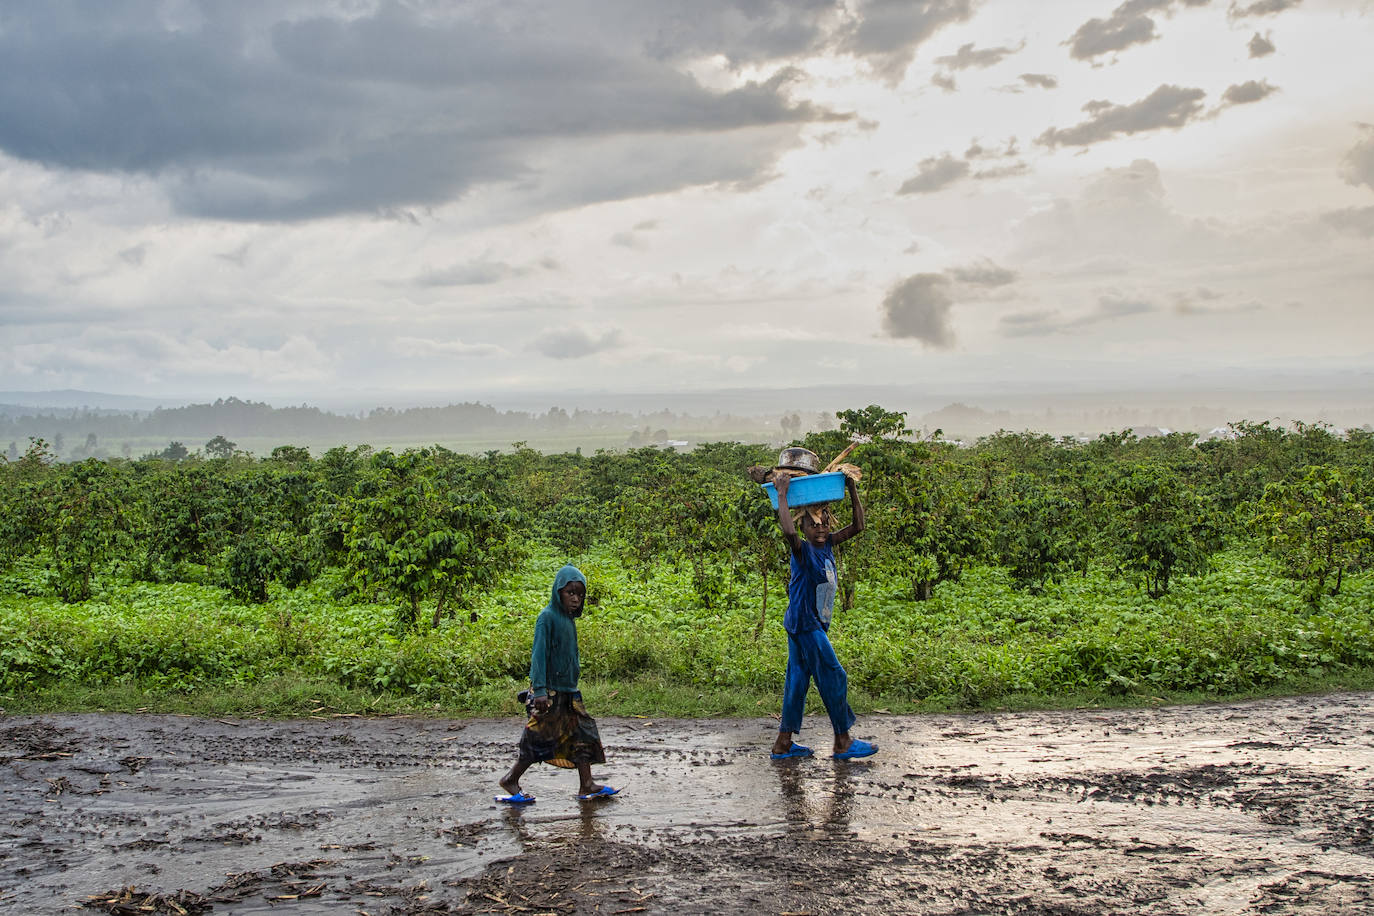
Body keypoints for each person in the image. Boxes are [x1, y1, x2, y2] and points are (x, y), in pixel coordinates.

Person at [770, 472, 878, 761]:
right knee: (834, 675)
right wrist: (782, 494)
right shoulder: (803, 550)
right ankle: (843, 740)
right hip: (805, 625)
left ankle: (783, 744)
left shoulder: (827, 544)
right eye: (813, 524)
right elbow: (788, 533)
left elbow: (858, 525)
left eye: (824, 522)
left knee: (797, 681)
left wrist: (852, 487)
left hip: (801, 623)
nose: (820, 528)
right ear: (803, 527)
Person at [496, 564, 619, 803]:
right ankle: (510, 779)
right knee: (538, 739)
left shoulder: (568, 620)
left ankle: (587, 784)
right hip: (549, 693)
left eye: (580, 595)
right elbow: (538, 656)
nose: (575, 599)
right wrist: (539, 690)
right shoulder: (547, 618)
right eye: (570, 593)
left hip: (569, 692)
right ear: (558, 592)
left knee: (583, 734)